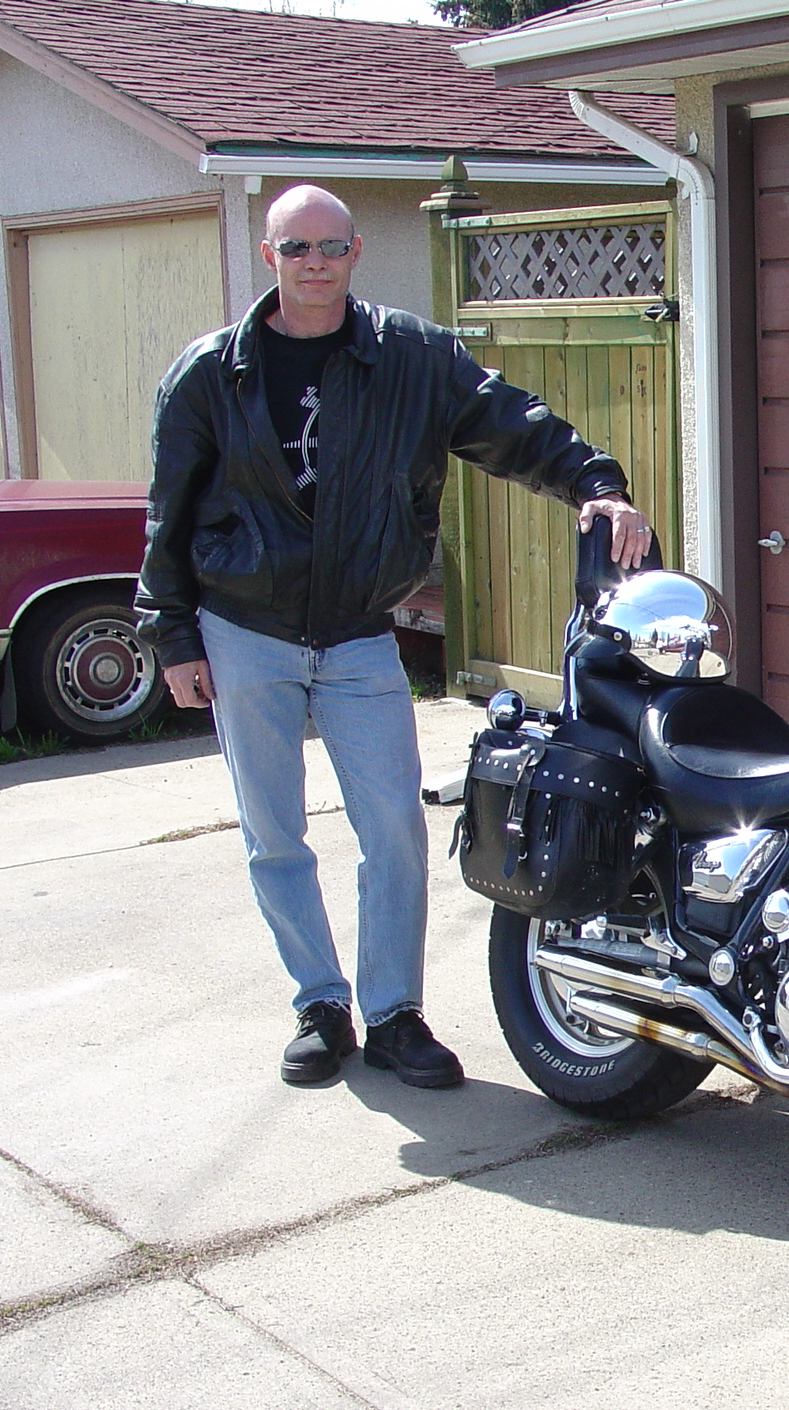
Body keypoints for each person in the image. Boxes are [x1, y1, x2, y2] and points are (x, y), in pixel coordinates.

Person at [138, 184, 651, 1090]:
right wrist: (171, 635)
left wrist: (597, 486)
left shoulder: (413, 358)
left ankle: (393, 1015)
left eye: (332, 246)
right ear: (269, 255)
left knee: (395, 831)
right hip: (244, 628)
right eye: (297, 248)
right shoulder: (211, 373)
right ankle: (318, 1004)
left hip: (358, 634)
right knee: (274, 834)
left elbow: (513, 425)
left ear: (356, 252)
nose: (316, 263)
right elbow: (167, 514)